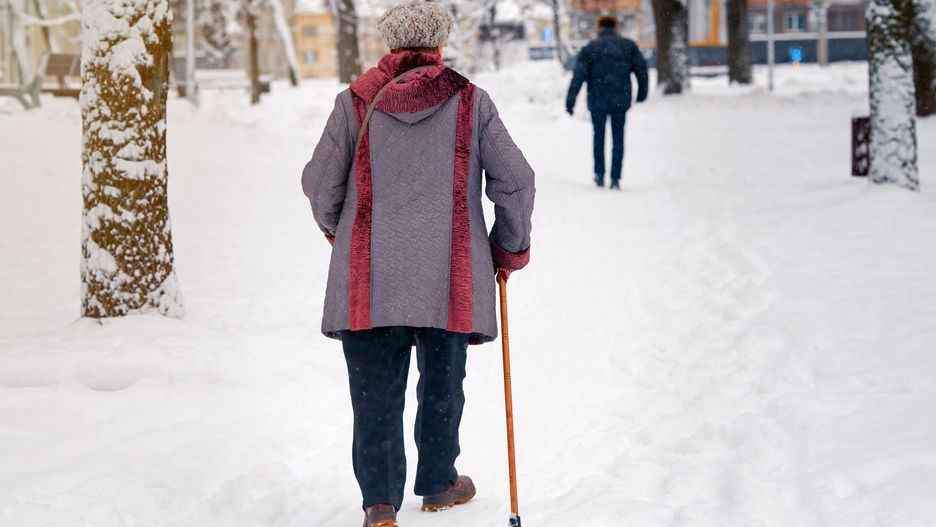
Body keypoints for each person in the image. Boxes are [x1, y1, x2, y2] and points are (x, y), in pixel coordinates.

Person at [300, 1, 535, 526]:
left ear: (390, 44)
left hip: (370, 277)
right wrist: (508, 247)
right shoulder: (472, 101)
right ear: (439, 45)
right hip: (449, 274)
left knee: (374, 392)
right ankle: (438, 481)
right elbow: (516, 181)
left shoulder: (353, 102)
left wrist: (340, 231)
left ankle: (380, 503)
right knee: (443, 382)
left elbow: (320, 184)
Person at [566, 15, 649, 190]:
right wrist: (642, 93)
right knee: (618, 138)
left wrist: (570, 100)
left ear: (598, 27)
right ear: (616, 27)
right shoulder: (628, 46)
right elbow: (641, 70)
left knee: (599, 137)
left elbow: (578, 76)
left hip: (597, 100)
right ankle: (615, 178)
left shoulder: (590, 48)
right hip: (620, 99)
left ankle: (599, 175)